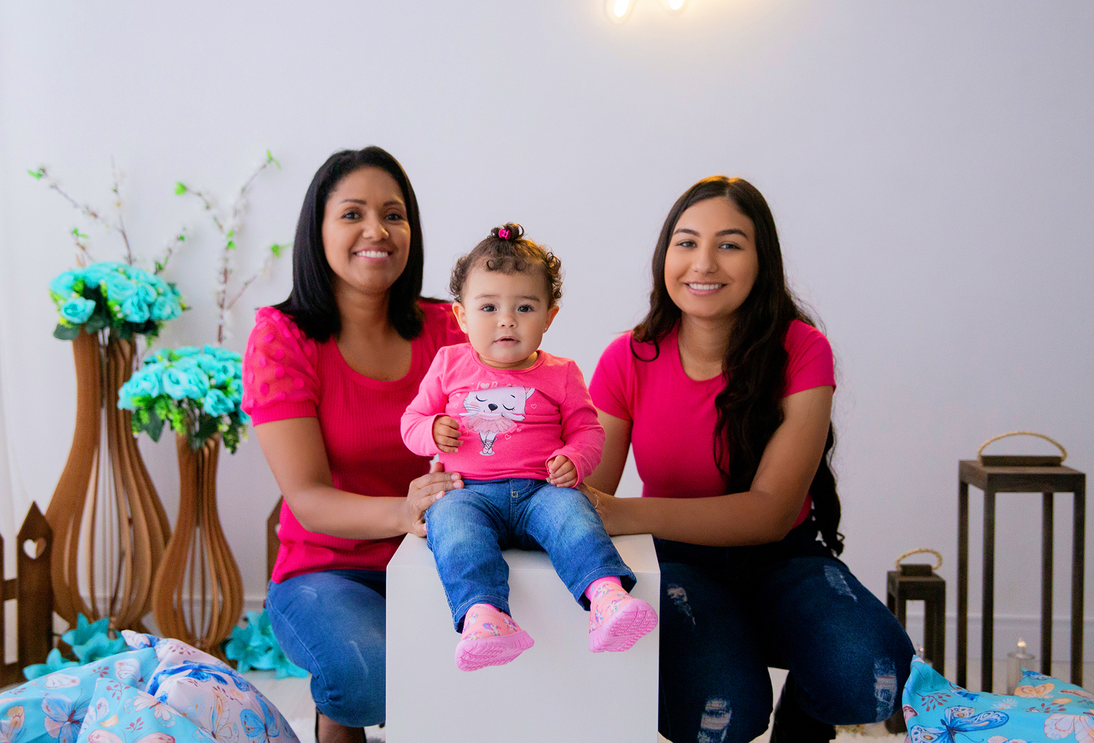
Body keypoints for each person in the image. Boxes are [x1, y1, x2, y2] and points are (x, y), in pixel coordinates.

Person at [581, 176, 914, 743]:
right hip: (676, 567)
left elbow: (769, 511)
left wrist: (627, 514)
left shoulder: (803, 349)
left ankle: (801, 724)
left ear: (763, 260)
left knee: (877, 680)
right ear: (665, 255)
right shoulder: (627, 357)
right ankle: (728, 650)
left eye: (729, 244)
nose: (703, 263)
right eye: (685, 243)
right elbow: (587, 494)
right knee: (722, 710)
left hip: (782, 559)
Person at [242, 147, 466, 743]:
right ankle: (336, 721)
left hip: (446, 558)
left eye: (394, 214)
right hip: (328, 570)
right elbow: (309, 498)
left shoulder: (451, 329)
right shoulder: (281, 337)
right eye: (352, 214)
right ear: (317, 231)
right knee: (369, 676)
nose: (377, 230)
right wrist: (405, 511)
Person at [400, 223, 658, 671]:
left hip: (541, 493)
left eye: (524, 307)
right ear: (461, 316)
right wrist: (433, 428)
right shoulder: (447, 365)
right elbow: (411, 422)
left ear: (550, 316)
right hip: (469, 492)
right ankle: (484, 615)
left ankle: (606, 597)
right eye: (488, 307)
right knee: (453, 528)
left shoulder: (561, 373)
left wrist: (575, 459)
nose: (507, 319)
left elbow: (589, 431)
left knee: (575, 515)